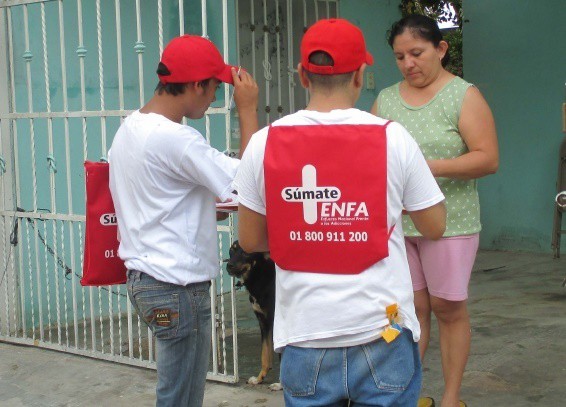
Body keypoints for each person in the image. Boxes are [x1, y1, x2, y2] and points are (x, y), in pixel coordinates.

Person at [235, 18, 446, 406]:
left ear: (301, 75)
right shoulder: (392, 137)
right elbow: (434, 225)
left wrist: (304, 230)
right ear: (361, 75)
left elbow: (249, 239)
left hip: (305, 337)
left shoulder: (265, 142)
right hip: (381, 332)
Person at [108, 34, 258, 407]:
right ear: (195, 85)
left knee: (179, 396)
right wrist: (248, 110)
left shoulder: (130, 128)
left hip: (147, 280)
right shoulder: (176, 140)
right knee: (180, 399)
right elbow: (251, 183)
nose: (214, 98)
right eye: (214, 89)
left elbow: (165, 201)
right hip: (177, 286)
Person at [370, 14, 499, 407]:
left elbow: (487, 159)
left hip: (450, 223)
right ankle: (407, 394)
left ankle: (450, 398)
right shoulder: (387, 99)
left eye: (417, 53)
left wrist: (425, 168)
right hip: (397, 226)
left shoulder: (463, 95)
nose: (408, 63)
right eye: (399, 56)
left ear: (441, 49)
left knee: (447, 307)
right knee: (408, 310)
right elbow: (373, 156)